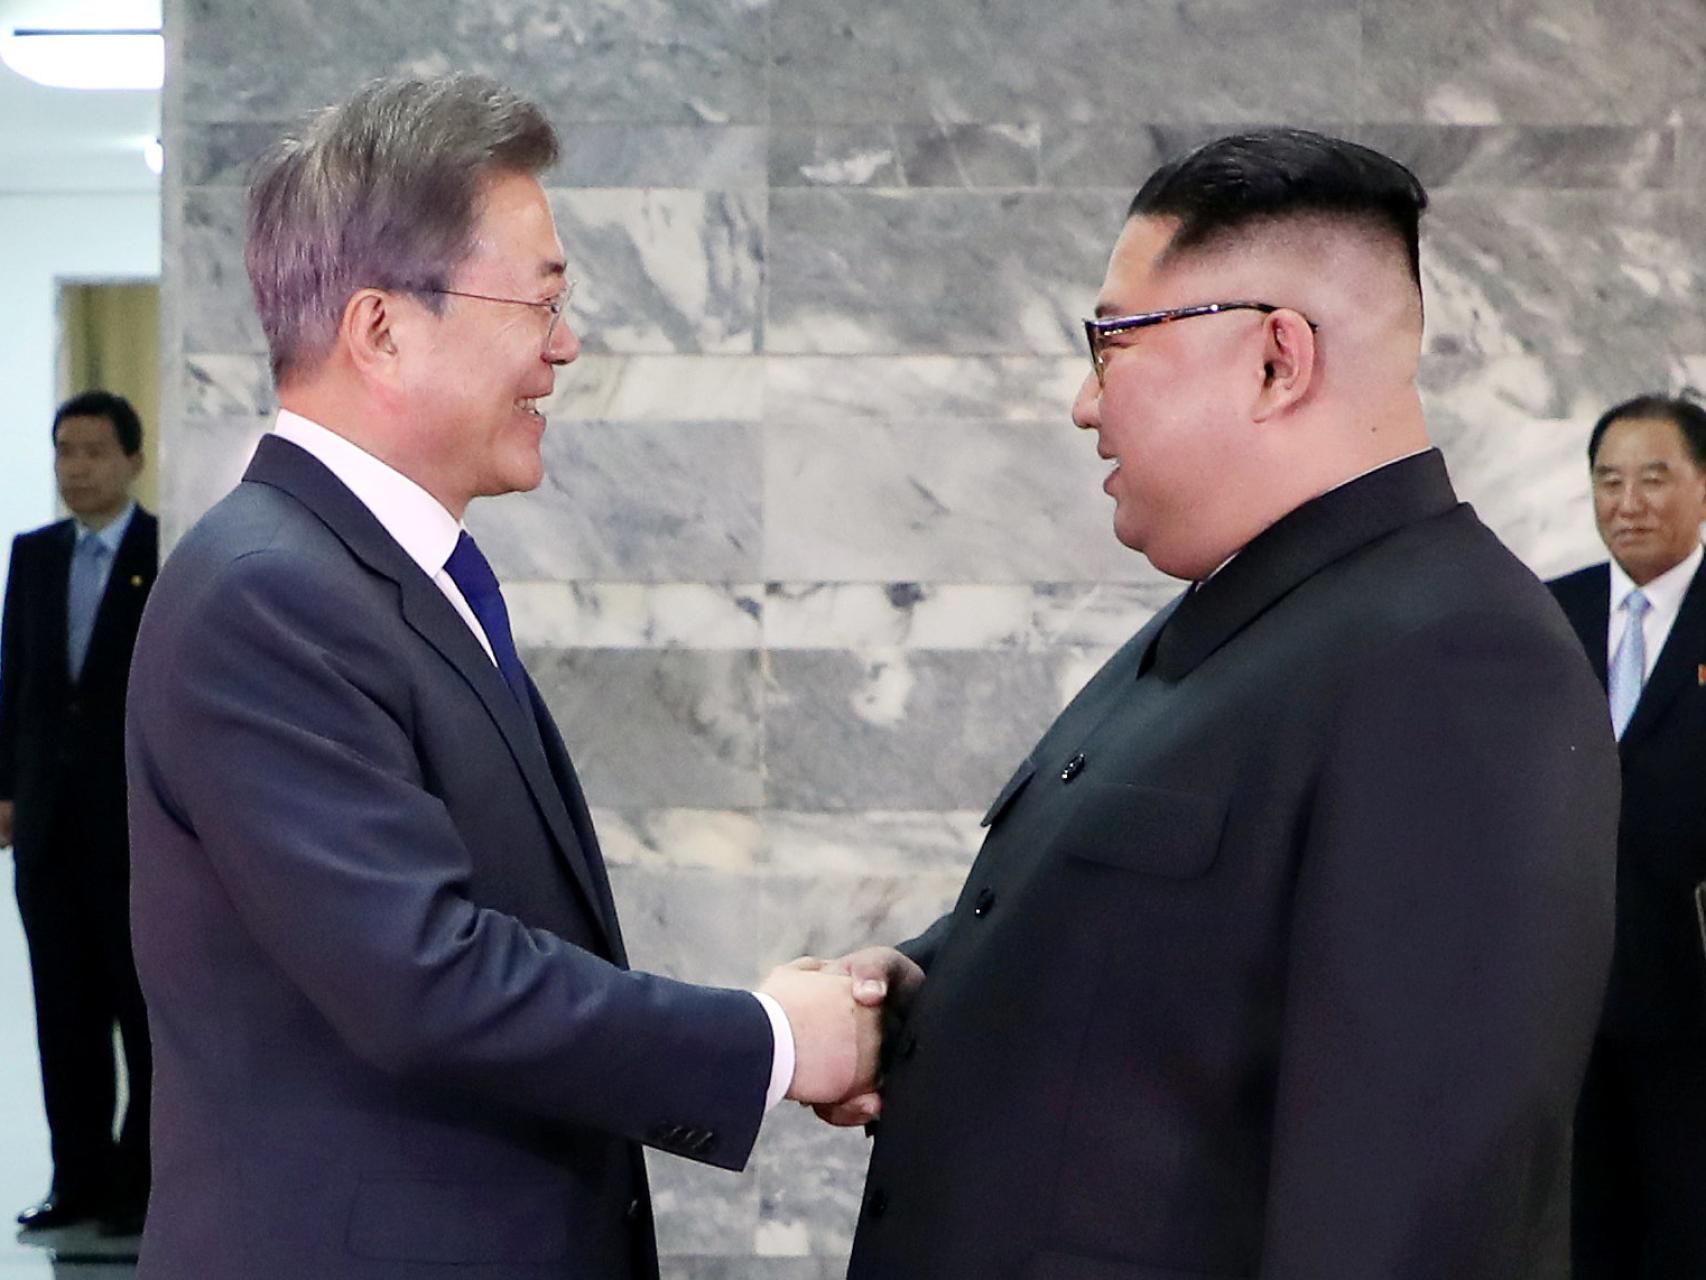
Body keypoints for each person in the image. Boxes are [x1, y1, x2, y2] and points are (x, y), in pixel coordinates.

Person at [821, 129, 1620, 1279]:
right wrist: (919, 993)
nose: (1081, 402)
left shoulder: (1455, 661)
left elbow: (1417, 1214)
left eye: (1111, 344)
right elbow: (1159, 970)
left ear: (1273, 360)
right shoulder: (1250, 618)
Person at [125, 74, 877, 1280]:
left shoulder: (382, 575)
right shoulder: (263, 594)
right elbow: (426, 976)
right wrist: (771, 1042)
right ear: (381, 329)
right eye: (541, 300)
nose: (565, 344)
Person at [1548, 392, 1706, 1279]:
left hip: (1691, 996)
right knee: (1577, 1233)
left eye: (1654, 477)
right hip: (1564, 1000)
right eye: (1609, 481)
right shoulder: (1543, 617)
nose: (1629, 502)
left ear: (1704, 488)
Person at [0, 390, 156, 1237]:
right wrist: (6, 790)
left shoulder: (164, 550)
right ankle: (78, 1178)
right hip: (49, 831)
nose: (77, 467)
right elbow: (15, 682)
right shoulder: (33, 556)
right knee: (64, 1015)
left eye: (94, 451)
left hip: (133, 831)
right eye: (65, 451)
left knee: (141, 1014)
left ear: (133, 459)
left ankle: (141, 1183)